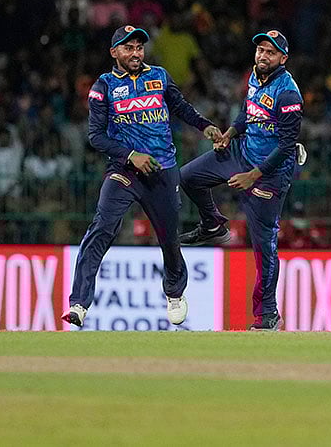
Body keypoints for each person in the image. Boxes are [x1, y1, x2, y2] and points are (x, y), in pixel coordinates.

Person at [62, 25, 222, 328]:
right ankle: (79, 303)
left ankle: (174, 292)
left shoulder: (159, 77)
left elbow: (182, 108)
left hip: (162, 170)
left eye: (139, 47)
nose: (135, 53)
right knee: (102, 227)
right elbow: (95, 136)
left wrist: (205, 126)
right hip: (124, 172)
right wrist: (130, 155)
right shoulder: (104, 87)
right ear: (114, 53)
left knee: (168, 238)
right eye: (128, 48)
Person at [179, 30, 304, 331]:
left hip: (269, 173)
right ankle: (212, 224)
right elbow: (247, 115)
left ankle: (267, 316)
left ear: (283, 59)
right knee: (188, 177)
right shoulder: (255, 77)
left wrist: (253, 176)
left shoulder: (287, 93)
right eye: (260, 50)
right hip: (239, 152)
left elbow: (287, 145)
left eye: (270, 52)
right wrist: (228, 135)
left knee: (263, 246)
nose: (263, 56)